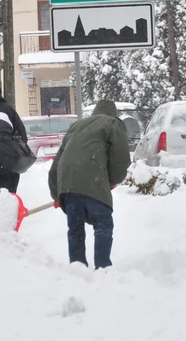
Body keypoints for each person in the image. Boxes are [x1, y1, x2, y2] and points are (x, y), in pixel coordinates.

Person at [48, 100, 132, 270]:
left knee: (75, 228)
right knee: (103, 224)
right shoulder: (113, 123)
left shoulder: (77, 126)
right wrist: (113, 179)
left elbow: (58, 162)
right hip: (94, 180)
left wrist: (57, 192)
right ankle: (102, 268)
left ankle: (77, 269)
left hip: (68, 183)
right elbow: (121, 159)